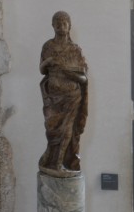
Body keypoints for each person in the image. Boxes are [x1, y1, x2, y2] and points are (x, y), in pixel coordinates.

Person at [38, 11, 88, 173]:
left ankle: (58, 163)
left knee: (67, 130)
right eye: (57, 23)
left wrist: (68, 72)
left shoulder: (75, 50)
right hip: (52, 98)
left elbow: (83, 79)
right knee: (52, 130)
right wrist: (49, 61)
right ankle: (50, 157)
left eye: (64, 23)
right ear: (53, 26)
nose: (61, 26)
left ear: (69, 26)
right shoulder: (48, 46)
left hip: (72, 97)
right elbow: (42, 70)